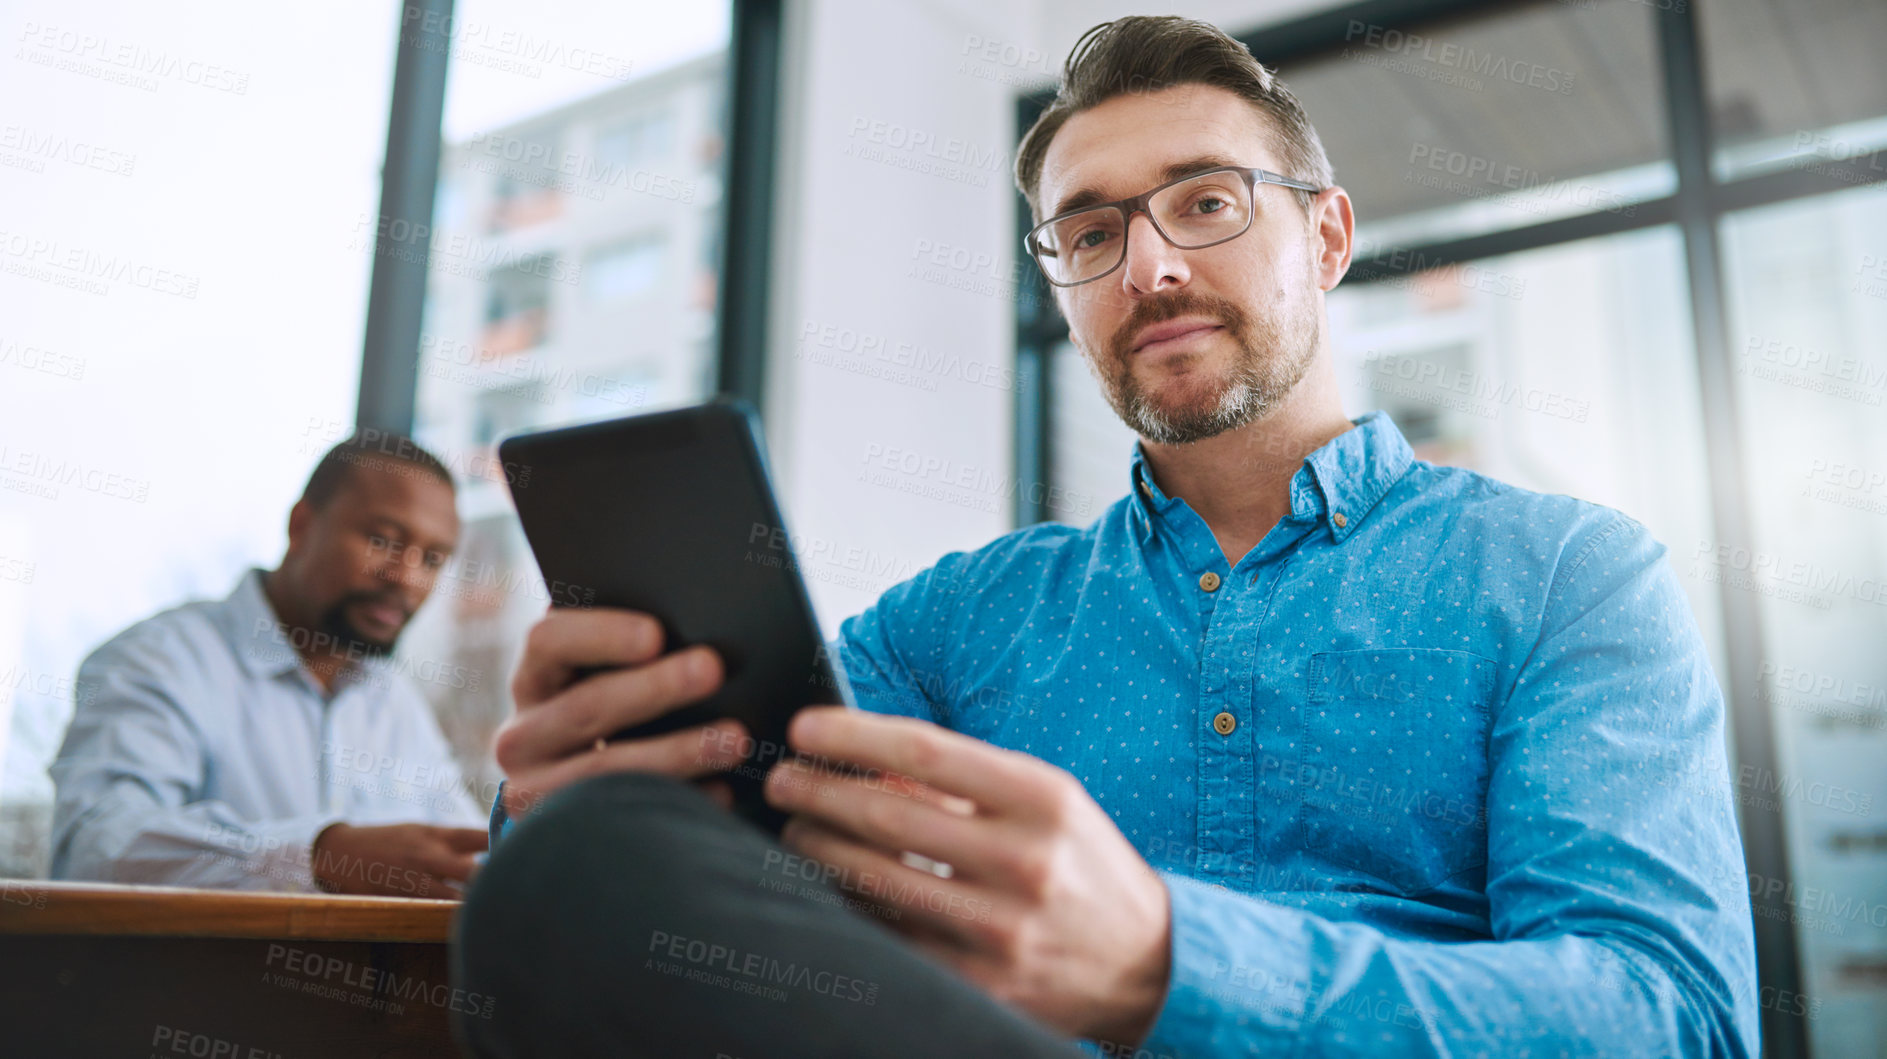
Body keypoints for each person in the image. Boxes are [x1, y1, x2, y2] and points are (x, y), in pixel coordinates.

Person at [452, 16, 1757, 1058]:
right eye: (1089, 232)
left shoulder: (1565, 574)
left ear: (1326, 233)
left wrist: (1162, 960)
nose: (1147, 268)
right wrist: (586, 772)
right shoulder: (967, 617)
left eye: (1202, 203)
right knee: (576, 863)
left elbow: (1671, 1018)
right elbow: (709, 835)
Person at [50, 432, 489, 896]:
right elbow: (97, 848)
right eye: (383, 540)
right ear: (301, 525)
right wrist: (321, 856)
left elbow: (462, 852)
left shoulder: (393, 699)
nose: (406, 576)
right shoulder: (158, 659)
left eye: (433, 558)